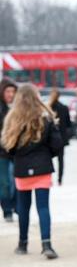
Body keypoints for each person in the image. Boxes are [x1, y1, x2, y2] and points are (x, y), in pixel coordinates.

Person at [1, 83, 63, 259]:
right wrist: (46, 155)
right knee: (43, 207)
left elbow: (8, 147)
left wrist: (18, 156)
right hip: (42, 167)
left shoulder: (13, 118)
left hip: (21, 169)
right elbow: (57, 144)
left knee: (23, 207)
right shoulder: (46, 117)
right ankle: (47, 245)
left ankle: (22, 244)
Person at [0, 78, 18, 222]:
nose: (11, 94)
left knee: (16, 181)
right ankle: (7, 210)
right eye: (8, 91)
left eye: (13, 91)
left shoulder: (17, 108)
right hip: (2, 152)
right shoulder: (1, 108)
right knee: (5, 182)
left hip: (16, 152)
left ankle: (16, 207)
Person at [48, 88, 72, 185]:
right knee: (61, 160)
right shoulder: (64, 107)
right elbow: (69, 124)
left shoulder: (48, 107)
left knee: (47, 159)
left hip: (49, 137)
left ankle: (49, 179)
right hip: (61, 137)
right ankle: (60, 180)